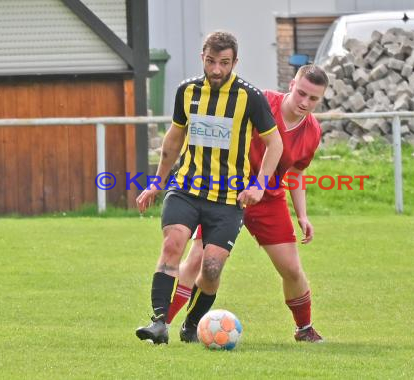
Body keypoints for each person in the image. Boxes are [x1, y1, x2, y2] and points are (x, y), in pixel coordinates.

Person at [135, 31, 283, 344]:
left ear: (235, 62)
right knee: (172, 245)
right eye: (211, 61)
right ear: (202, 57)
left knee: (212, 268)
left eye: (224, 63)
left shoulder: (249, 97)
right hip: (186, 189)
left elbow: (275, 144)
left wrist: (258, 185)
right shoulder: (186, 91)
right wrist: (155, 183)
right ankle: (159, 324)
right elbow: (173, 140)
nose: (217, 69)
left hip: (228, 199)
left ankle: (192, 323)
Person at [165, 64, 329, 343]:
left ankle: (304, 329)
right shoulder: (260, 101)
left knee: (291, 268)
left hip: (269, 199)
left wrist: (302, 214)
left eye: (313, 98)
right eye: (301, 93)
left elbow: (296, 174)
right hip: (226, 193)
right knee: (200, 261)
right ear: (291, 85)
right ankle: (164, 325)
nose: (304, 102)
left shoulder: (312, 131)